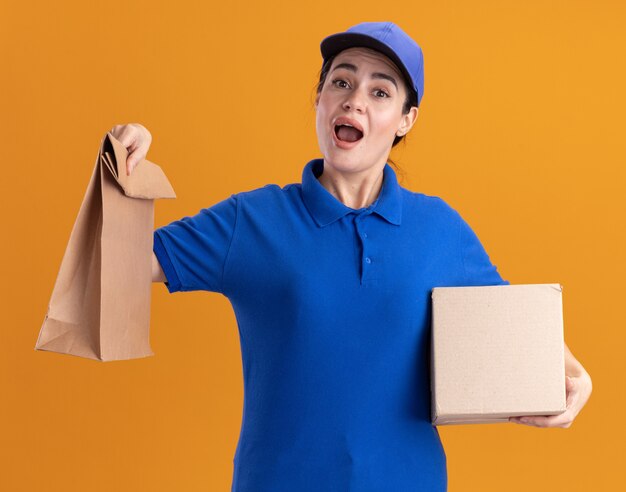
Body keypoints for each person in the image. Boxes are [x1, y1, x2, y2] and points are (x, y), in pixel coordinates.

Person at [110, 21, 592, 492]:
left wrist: (576, 379)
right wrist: (122, 174)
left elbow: (526, 342)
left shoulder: (439, 229)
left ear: (406, 119)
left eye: (380, 92)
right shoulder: (253, 220)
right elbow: (115, 268)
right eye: (341, 81)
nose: (355, 99)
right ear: (320, 100)